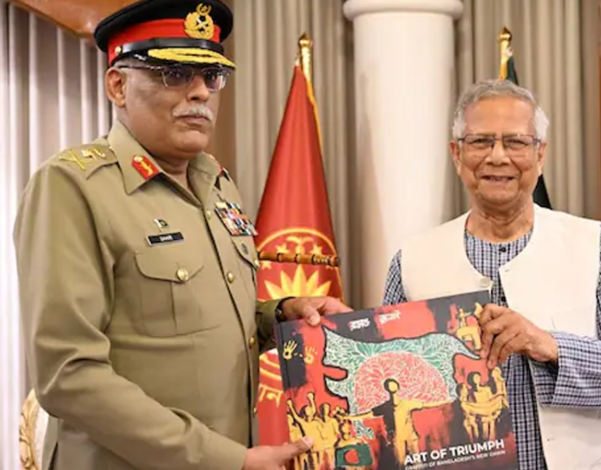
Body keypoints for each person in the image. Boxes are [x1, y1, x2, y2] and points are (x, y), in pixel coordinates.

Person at [12, 1, 351, 470]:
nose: (200, 92)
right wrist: (227, 459)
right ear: (117, 85)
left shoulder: (215, 183)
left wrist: (279, 315)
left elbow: (193, 320)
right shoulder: (73, 187)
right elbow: (68, 376)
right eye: (174, 74)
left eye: (211, 76)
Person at [382, 79, 601, 470]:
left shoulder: (594, 247)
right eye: (480, 141)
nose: (497, 157)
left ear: (540, 154)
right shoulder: (412, 260)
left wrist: (548, 345)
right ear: (457, 154)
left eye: (515, 142)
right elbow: (392, 383)